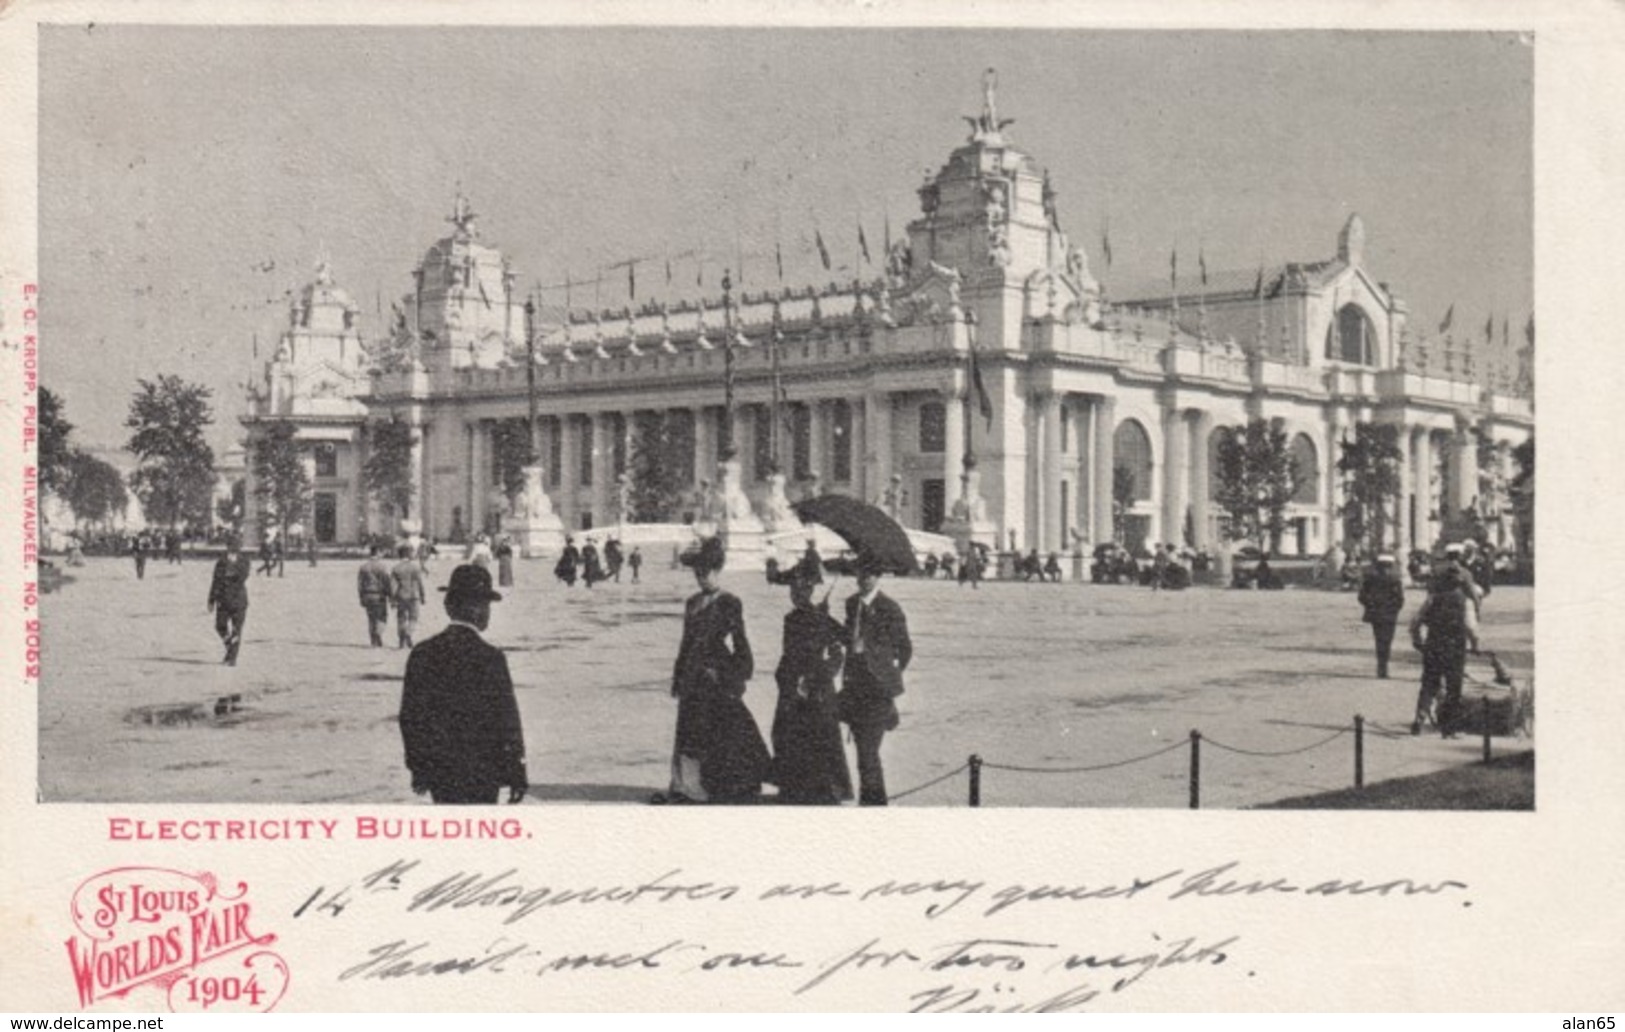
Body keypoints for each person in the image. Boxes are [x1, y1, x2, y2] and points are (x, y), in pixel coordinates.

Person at [398, 564, 528, 805]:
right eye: (486, 606)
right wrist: (516, 772)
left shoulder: (422, 653)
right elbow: (507, 721)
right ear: (480, 612)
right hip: (483, 772)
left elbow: (410, 716)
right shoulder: (491, 657)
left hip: (440, 770)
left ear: (448, 606)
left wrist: (419, 767)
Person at [653, 537, 769, 805]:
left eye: (706, 572)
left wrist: (732, 674)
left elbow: (740, 641)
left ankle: (722, 783)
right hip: (692, 676)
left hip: (716, 676)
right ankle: (689, 785)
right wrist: (678, 675)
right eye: (697, 573)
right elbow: (686, 643)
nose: (701, 578)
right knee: (689, 730)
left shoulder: (730, 602)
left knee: (719, 729)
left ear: (717, 571)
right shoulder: (692, 603)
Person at [767, 561, 853, 805]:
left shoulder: (822, 618)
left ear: (809, 592)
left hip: (818, 691)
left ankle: (822, 790)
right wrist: (789, 681)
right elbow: (789, 654)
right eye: (793, 592)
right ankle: (793, 787)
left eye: (800, 591)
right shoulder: (790, 619)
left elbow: (840, 650)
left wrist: (821, 674)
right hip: (792, 687)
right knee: (784, 733)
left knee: (819, 737)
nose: (795, 596)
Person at [839, 553, 913, 806]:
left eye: (870, 574)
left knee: (869, 754)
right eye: (861, 573)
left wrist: (888, 675)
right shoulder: (851, 604)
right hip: (854, 689)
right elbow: (846, 638)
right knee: (863, 756)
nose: (865, 579)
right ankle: (871, 804)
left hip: (877, 692)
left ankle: (874, 808)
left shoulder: (889, 608)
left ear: (878, 577)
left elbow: (905, 649)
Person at [1409, 562, 1479, 737]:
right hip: (1455, 648)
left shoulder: (1432, 598)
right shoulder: (1465, 601)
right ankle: (1449, 728)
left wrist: (1418, 641)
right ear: (1460, 583)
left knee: (1429, 684)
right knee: (1453, 688)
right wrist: (1475, 645)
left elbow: (1415, 623)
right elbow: (1470, 628)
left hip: (1433, 645)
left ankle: (1419, 719)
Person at [1357, 553, 1406, 679]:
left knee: (1379, 640)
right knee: (1387, 640)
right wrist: (1394, 609)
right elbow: (1400, 599)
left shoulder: (1370, 578)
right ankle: (1384, 667)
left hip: (1376, 614)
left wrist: (1371, 605)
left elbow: (1361, 597)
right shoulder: (1395, 579)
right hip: (1390, 615)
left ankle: (1381, 666)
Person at [206, 537, 252, 666]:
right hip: (223, 600)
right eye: (230, 546)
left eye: (235, 547)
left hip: (239, 601)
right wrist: (211, 600)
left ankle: (232, 658)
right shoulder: (221, 562)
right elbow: (215, 581)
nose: (232, 549)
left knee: (236, 630)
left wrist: (231, 567)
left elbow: (243, 577)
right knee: (220, 626)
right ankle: (231, 649)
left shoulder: (244, 561)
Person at [390, 544, 427, 649]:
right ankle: (409, 633)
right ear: (408, 554)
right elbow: (420, 583)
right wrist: (423, 596)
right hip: (414, 596)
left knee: (401, 618)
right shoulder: (415, 568)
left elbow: (393, 586)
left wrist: (393, 599)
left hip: (401, 596)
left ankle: (401, 639)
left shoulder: (396, 569)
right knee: (413, 617)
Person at [357, 544, 394, 648]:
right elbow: (387, 582)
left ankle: (373, 641)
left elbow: (359, 584)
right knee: (382, 617)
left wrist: (361, 597)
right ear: (378, 553)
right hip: (379, 595)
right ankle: (378, 633)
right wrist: (391, 596)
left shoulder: (363, 567)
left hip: (367, 595)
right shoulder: (382, 567)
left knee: (371, 618)